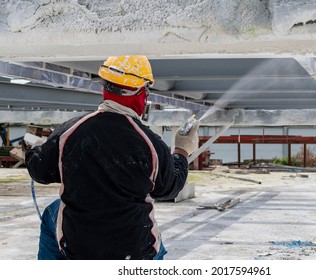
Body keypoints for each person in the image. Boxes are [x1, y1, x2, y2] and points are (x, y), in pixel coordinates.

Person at [25, 55, 199, 260]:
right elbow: (170, 187)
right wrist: (182, 150)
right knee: (153, 242)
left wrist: (38, 150)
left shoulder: (70, 131)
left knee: (52, 214)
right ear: (142, 94)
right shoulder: (150, 143)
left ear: (104, 88)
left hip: (79, 248)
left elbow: (41, 172)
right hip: (134, 252)